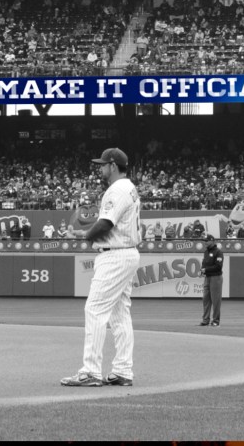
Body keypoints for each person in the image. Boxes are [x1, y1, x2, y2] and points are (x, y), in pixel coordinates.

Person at [61, 148, 141, 388]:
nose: (100, 168)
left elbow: (105, 223)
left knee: (95, 309)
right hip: (125, 252)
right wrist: (82, 234)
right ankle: (123, 370)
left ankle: (91, 372)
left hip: (115, 255)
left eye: (103, 164)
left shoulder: (117, 189)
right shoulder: (129, 187)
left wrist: (85, 235)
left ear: (113, 165)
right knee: (120, 314)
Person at [199, 234, 225, 327]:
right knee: (206, 299)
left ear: (212, 241)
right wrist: (202, 271)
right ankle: (205, 320)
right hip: (207, 277)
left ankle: (215, 321)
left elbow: (218, 266)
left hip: (216, 277)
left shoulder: (218, 252)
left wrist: (206, 269)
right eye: (204, 241)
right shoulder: (206, 252)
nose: (205, 242)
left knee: (216, 300)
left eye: (207, 241)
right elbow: (204, 263)